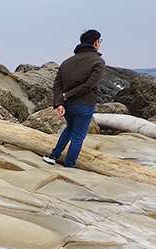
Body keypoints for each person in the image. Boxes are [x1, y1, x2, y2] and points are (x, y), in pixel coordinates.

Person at [43, 29, 106, 168]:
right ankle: (69, 166)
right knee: (78, 137)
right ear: (95, 43)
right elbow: (89, 85)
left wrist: (60, 102)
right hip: (84, 105)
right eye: (99, 41)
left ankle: (53, 155)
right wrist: (68, 95)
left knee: (70, 128)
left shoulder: (67, 62)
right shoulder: (98, 62)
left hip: (67, 106)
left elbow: (57, 84)